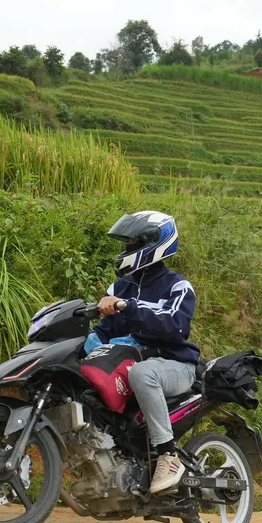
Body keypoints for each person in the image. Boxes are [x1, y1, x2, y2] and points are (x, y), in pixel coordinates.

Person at [86, 211, 200, 494]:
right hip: (131, 362)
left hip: (174, 364)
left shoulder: (177, 286)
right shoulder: (119, 287)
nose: (127, 248)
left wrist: (129, 307)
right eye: (126, 242)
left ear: (153, 244)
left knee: (142, 373)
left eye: (132, 242)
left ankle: (168, 456)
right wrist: (81, 342)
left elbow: (175, 326)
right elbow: (105, 331)